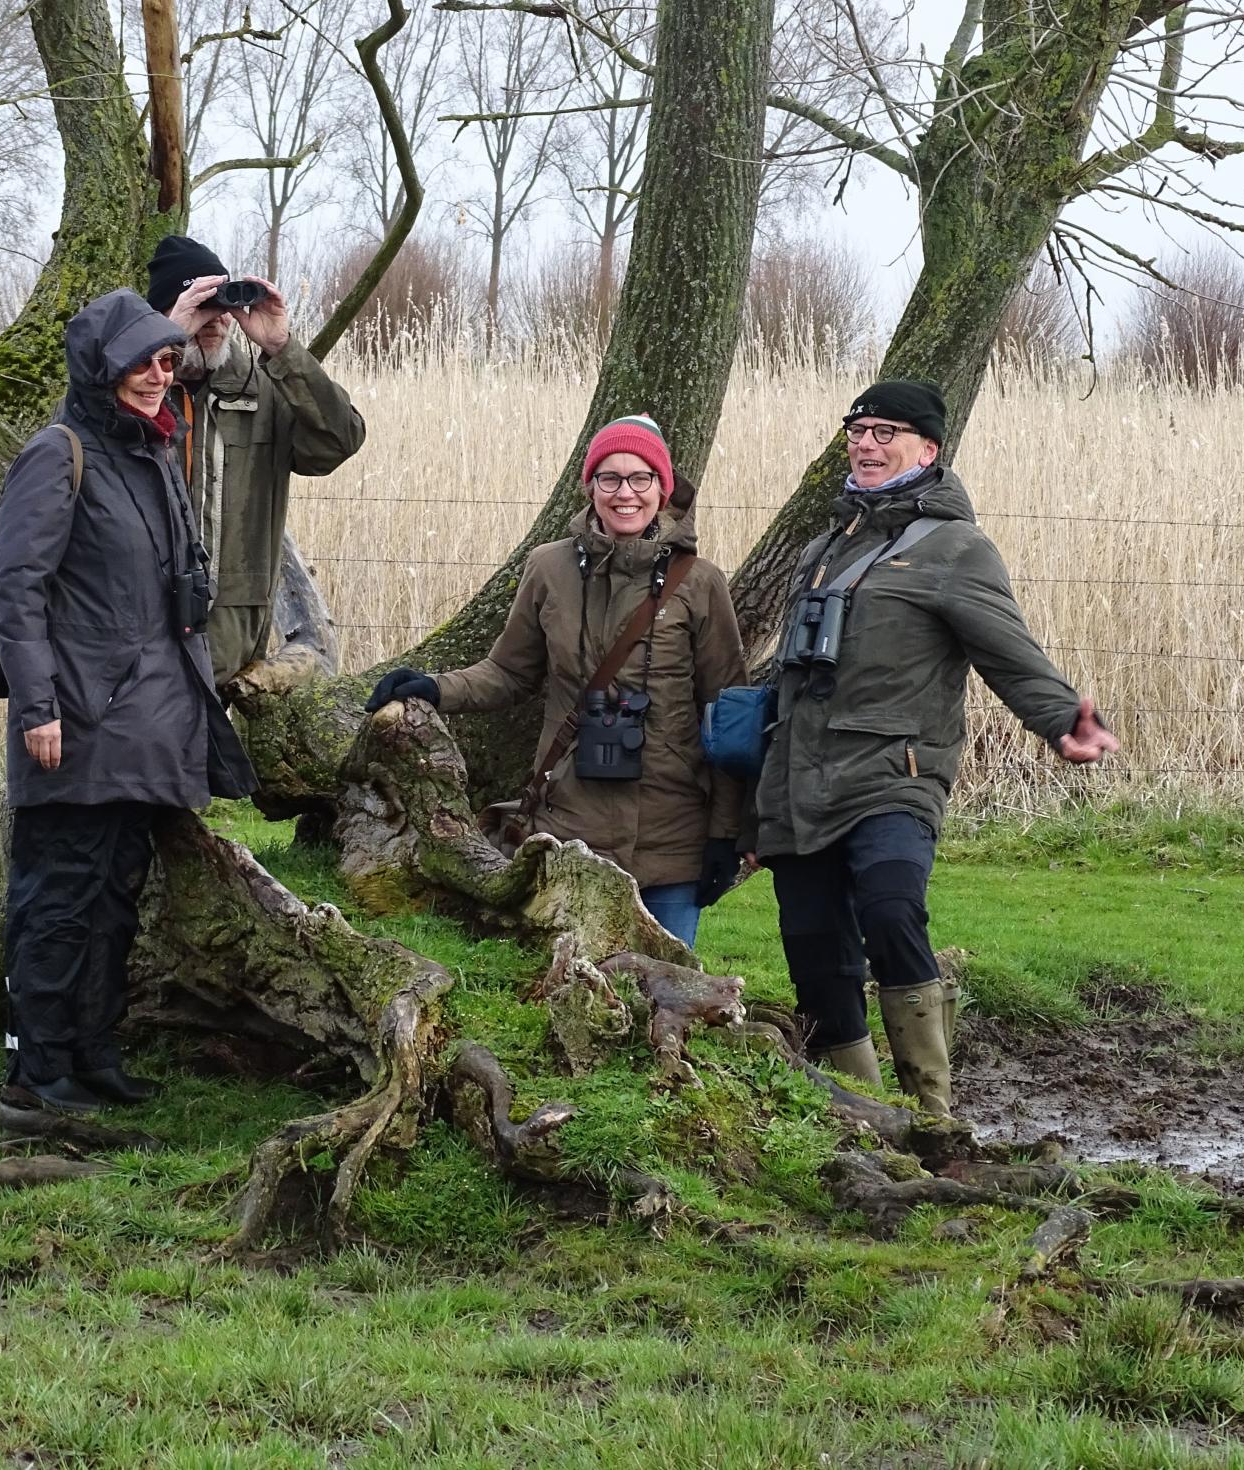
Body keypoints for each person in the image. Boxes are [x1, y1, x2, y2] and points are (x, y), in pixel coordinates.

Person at [754, 379, 1118, 1115]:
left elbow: (1009, 652)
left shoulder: (955, 548)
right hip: (800, 781)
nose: (865, 443)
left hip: (896, 773)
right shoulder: (822, 548)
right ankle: (862, 1118)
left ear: (929, 447)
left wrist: (1063, 721)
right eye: (857, 429)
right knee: (815, 948)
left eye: (885, 431)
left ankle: (932, 1114)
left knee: (891, 911)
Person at [0, 287, 258, 1114]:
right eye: (140, 361)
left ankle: (94, 1053)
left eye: (166, 360)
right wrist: (37, 709)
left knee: (115, 901)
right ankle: (36, 1075)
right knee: (58, 901)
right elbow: (15, 592)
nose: (155, 374)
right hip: (75, 728)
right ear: (99, 366)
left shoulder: (152, 457)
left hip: (150, 727)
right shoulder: (58, 452)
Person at [365, 415, 748, 947]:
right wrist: (434, 687)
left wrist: (726, 833)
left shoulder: (701, 583)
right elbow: (508, 672)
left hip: (673, 830)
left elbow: (727, 715)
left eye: (641, 479)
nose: (625, 493)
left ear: (663, 489)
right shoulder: (549, 568)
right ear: (589, 487)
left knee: (663, 991)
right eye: (609, 479)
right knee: (568, 988)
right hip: (569, 823)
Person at [145, 236, 367, 685]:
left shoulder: (259, 390)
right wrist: (161, 343)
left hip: (230, 641)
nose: (214, 321)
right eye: (198, 307)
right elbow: (87, 442)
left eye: (221, 305)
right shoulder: (135, 392)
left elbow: (338, 442)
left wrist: (282, 349)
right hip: (138, 633)